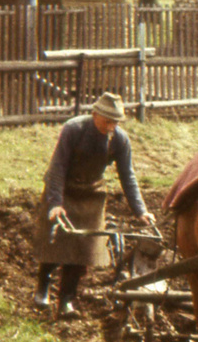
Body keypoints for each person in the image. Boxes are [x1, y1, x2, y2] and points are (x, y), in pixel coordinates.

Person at [30, 91, 152, 319]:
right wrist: (55, 203)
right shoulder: (73, 129)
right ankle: (43, 288)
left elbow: (128, 176)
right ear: (95, 114)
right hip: (64, 189)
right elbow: (57, 167)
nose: (110, 126)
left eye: (115, 122)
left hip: (91, 195)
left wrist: (141, 211)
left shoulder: (120, 140)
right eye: (107, 120)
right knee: (55, 241)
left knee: (82, 249)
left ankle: (66, 299)